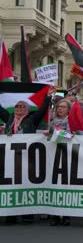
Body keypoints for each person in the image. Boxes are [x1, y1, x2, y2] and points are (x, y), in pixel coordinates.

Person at [0, 86, 55, 225]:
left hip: (26, 158)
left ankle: (27, 214)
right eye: (17, 106)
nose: (19, 108)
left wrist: (47, 97)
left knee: (25, 184)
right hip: (10, 158)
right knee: (11, 186)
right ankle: (10, 215)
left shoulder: (32, 119)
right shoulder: (9, 118)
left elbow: (42, 110)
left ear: (28, 110)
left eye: (22, 106)